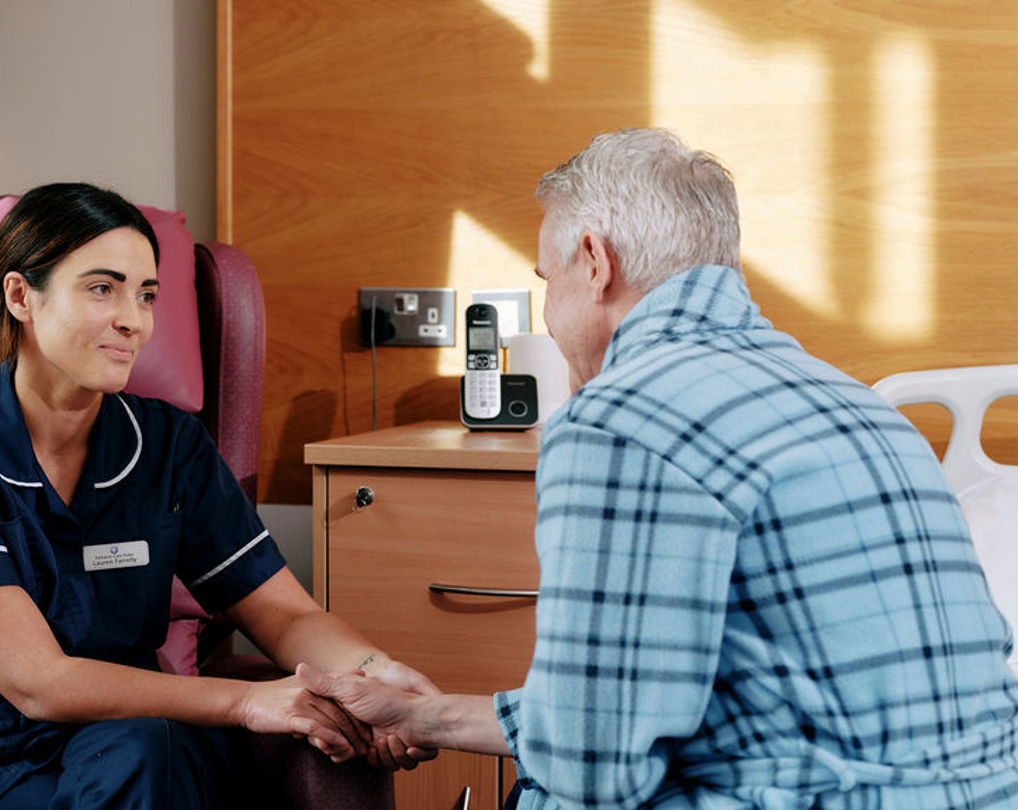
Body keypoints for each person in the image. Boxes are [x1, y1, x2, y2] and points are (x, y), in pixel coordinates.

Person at [299, 128, 1018, 808]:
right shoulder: (859, 405)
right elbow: (699, 709)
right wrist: (427, 719)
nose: (550, 314)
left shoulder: (621, 420)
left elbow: (593, 768)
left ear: (594, 260)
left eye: (549, 282)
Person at [0, 183, 436, 809]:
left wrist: (373, 674)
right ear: (21, 296)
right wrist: (248, 701)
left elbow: (284, 614)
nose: (133, 320)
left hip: (122, 746)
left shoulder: (169, 446)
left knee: (145, 750)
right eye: (102, 288)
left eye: (147, 294)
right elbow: (39, 683)